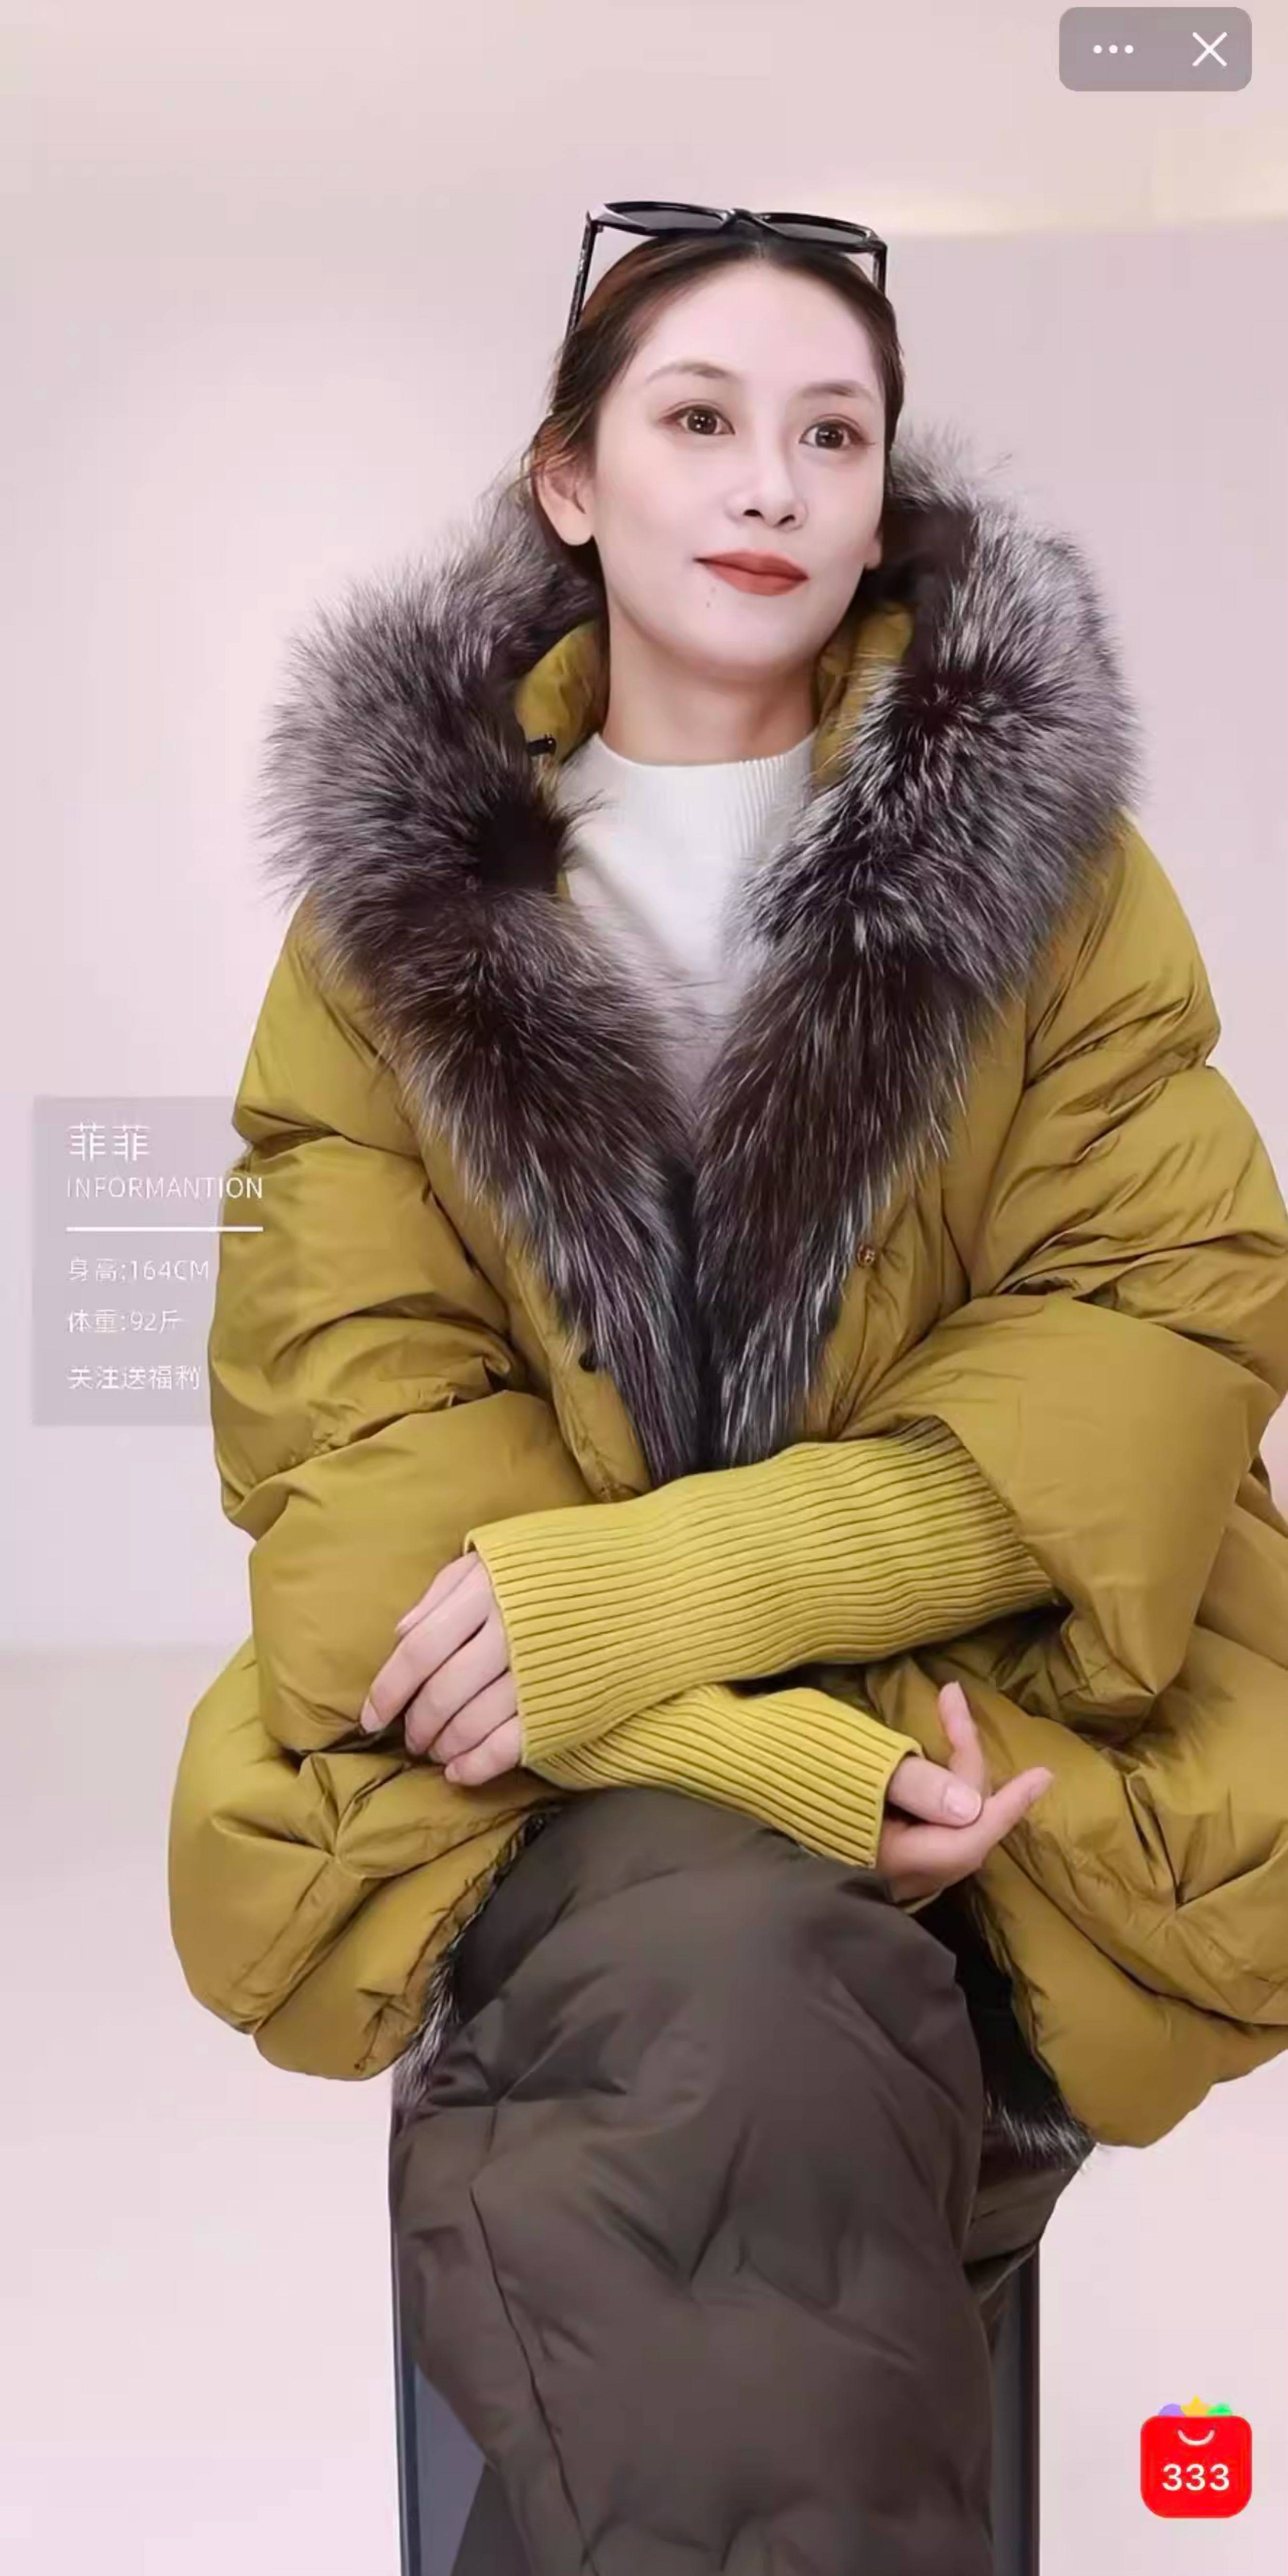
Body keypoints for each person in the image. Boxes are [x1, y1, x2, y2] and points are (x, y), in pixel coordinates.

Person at [168, 205, 1288, 2572]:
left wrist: (675, 1590)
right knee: (740, 2008)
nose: (772, 482)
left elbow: (1153, 1326)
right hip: (554, 1758)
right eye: (700, 420)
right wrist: (760, 1747)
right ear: (571, 479)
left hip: (991, 1699)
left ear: (883, 501)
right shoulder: (392, 923)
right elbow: (355, 1426)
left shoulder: (1057, 882)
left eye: (831, 435)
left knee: (725, 2123)